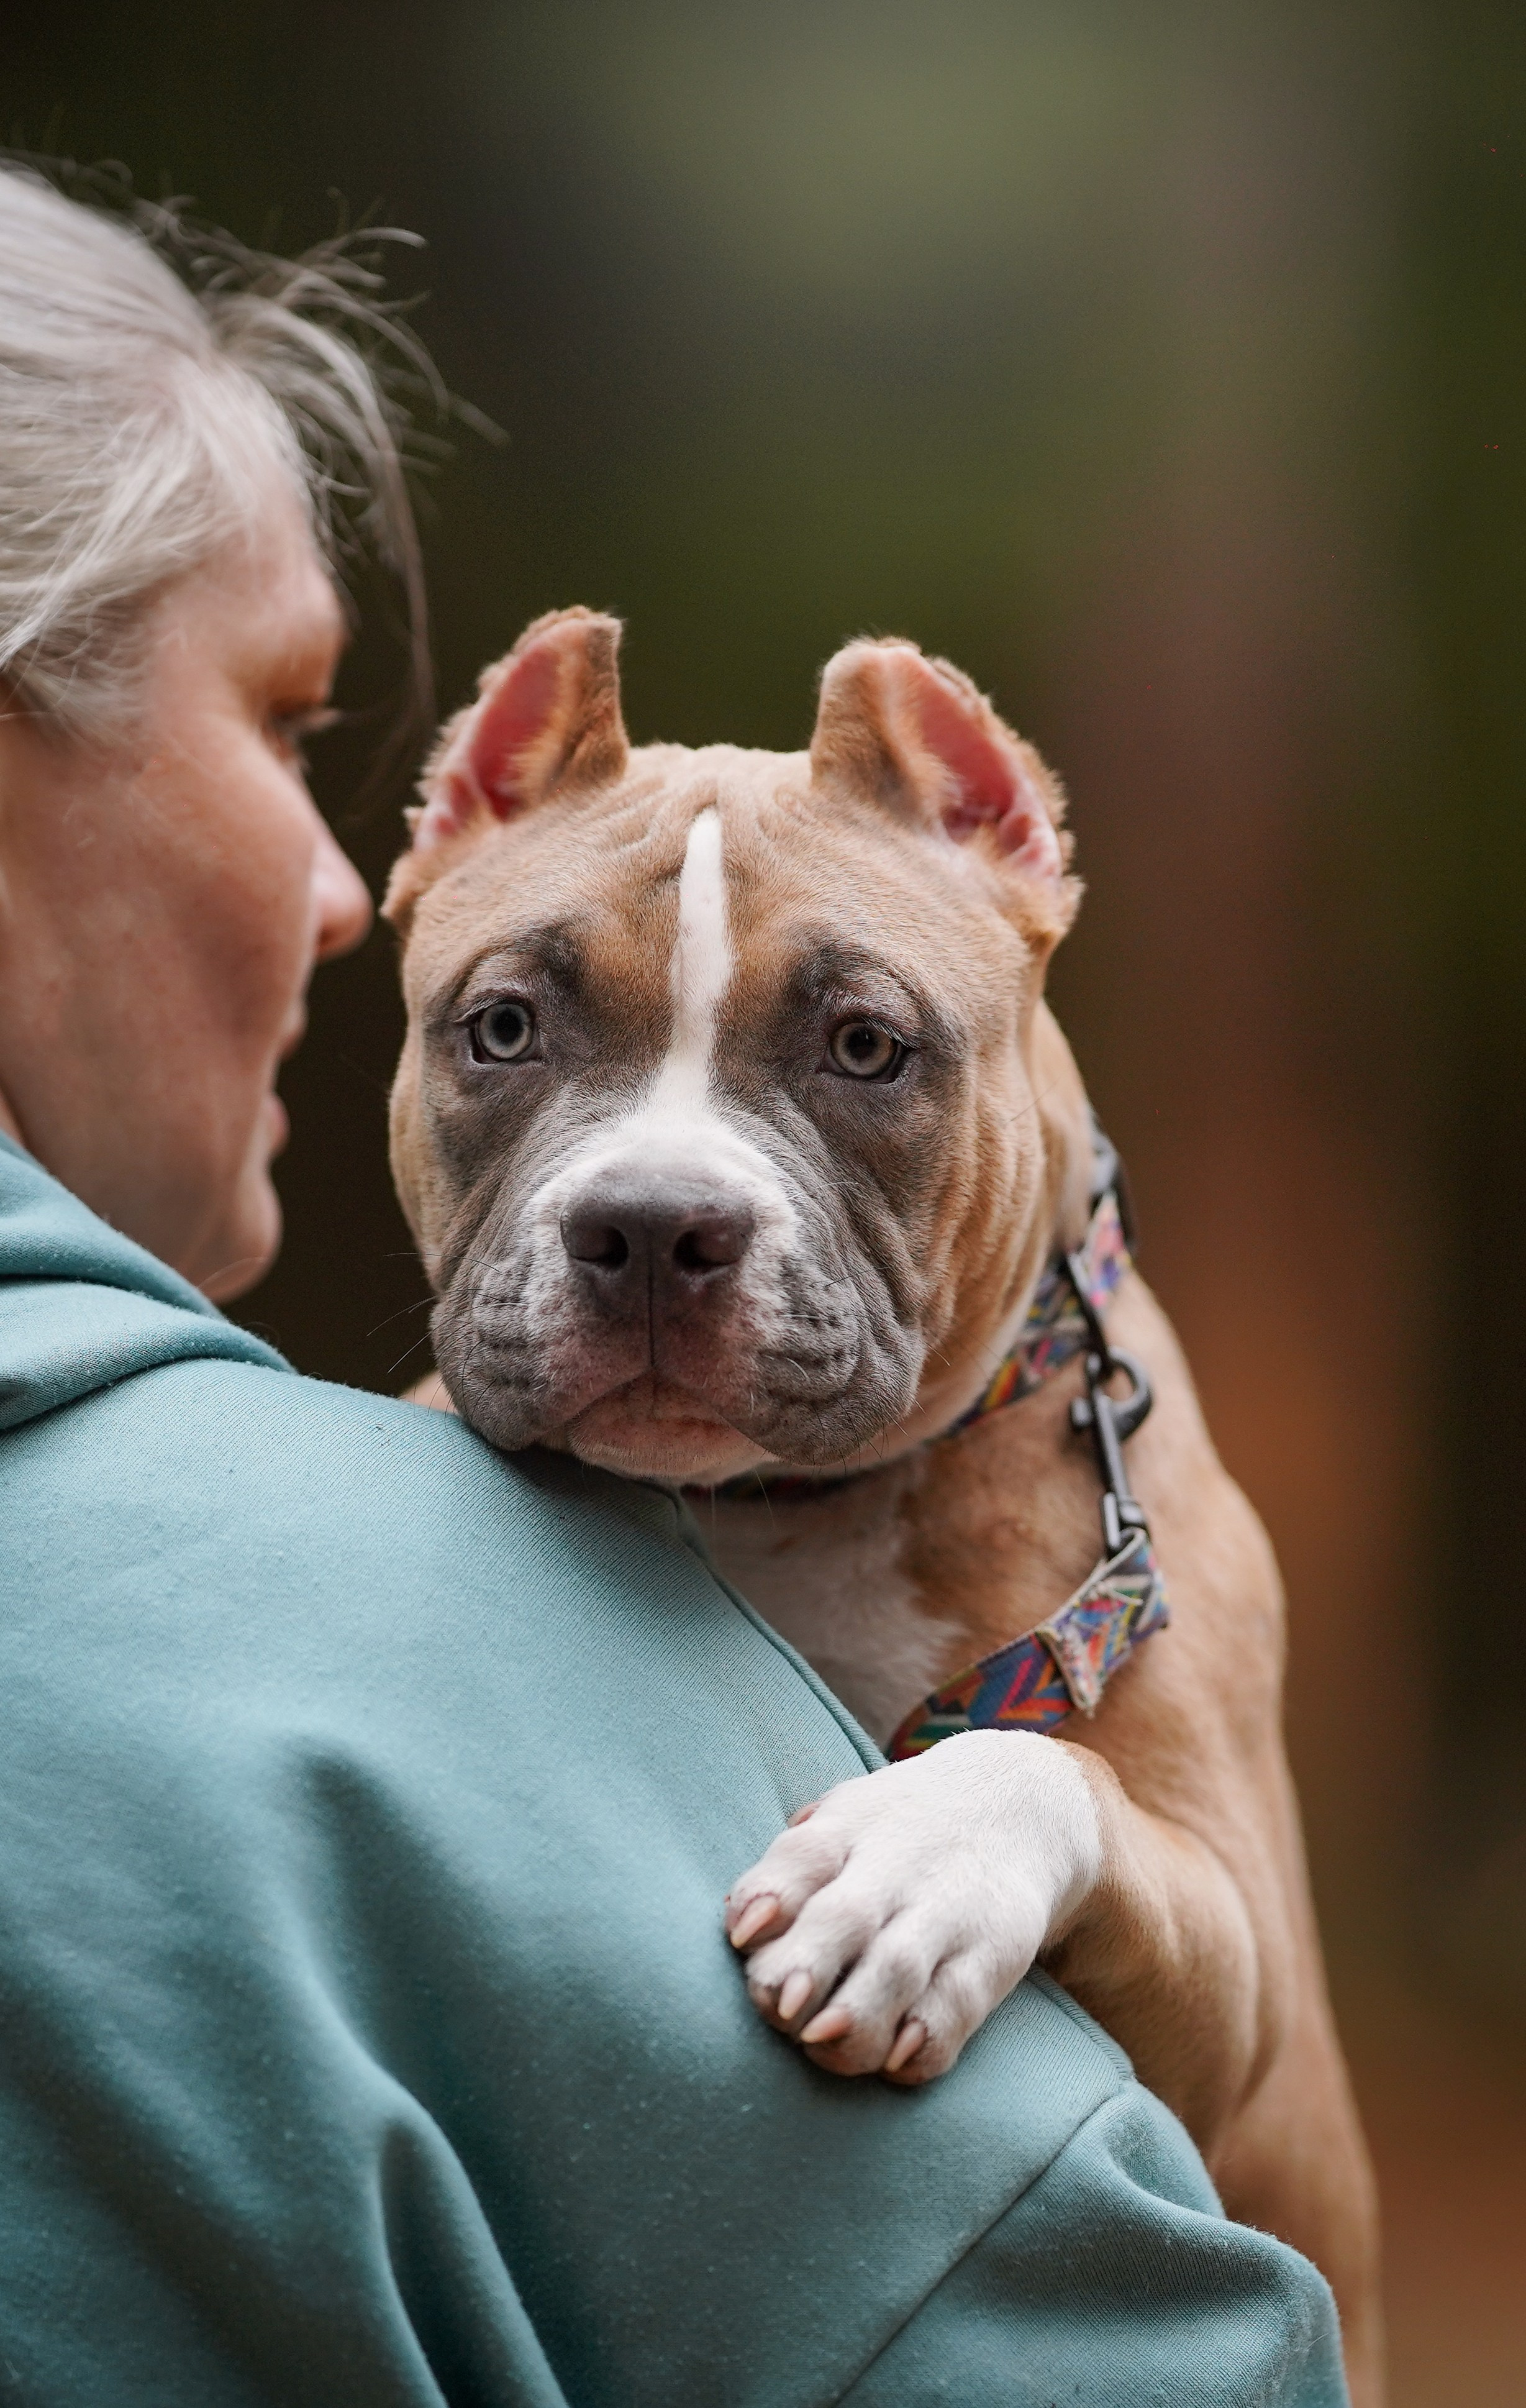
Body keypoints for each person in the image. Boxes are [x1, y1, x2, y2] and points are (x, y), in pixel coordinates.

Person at [0, 163, 1350, 2406]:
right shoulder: (323, 1538)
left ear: (1000, 845)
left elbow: (1239, 2057)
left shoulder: (1128, 1515)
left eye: (853, 1053)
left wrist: (1041, 1800)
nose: (659, 1200)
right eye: (518, 1034)